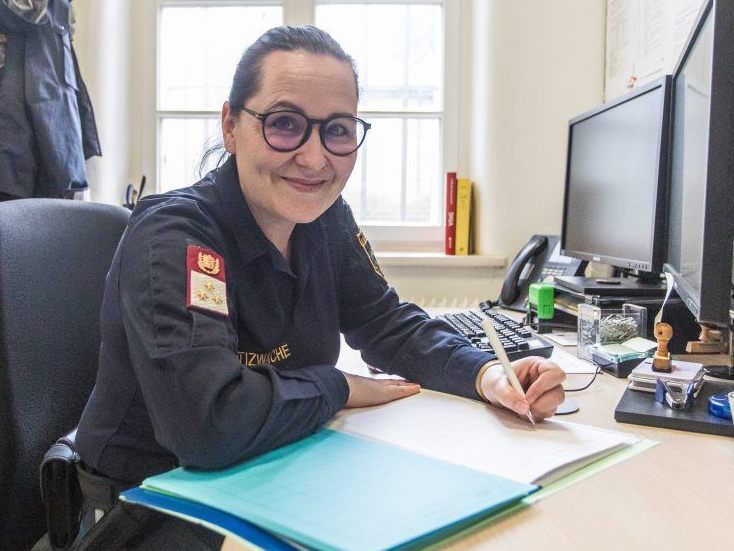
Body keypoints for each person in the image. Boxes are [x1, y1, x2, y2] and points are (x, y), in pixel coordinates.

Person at [72, 25, 565, 550]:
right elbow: (208, 422)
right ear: (231, 126)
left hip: (272, 468)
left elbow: (389, 326)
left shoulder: (325, 220)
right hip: (150, 506)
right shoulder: (175, 235)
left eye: (338, 130)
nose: (314, 158)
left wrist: (488, 374)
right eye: (284, 124)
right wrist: (339, 387)